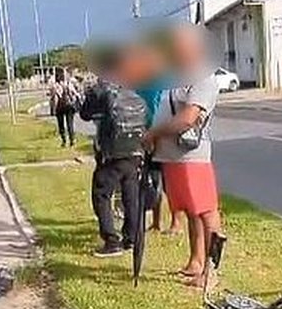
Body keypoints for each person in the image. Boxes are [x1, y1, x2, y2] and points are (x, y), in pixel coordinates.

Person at [141, 24, 222, 287]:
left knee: (206, 212)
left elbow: (188, 118)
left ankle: (211, 271)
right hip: (171, 157)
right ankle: (195, 261)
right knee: (190, 211)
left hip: (192, 157)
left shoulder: (203, 78)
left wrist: (155, 133)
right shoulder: (176, 76)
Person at [80, 53, 148, 258]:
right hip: (135, 150)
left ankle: (111, 240)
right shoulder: (132, 87)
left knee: (101, 193)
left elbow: (84, 113)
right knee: (131, 195)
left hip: (111, 151)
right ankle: (132, 237)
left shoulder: (100, 90)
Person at [49, 69, 79, 147]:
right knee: (70, 124)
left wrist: (53, 108)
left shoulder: (55, 86)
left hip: (60, 107)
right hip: (69, 105)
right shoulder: (68, 83)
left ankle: (64, 141)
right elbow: (75, 93)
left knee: (61, 124)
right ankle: (72, 140)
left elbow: (54, 97)